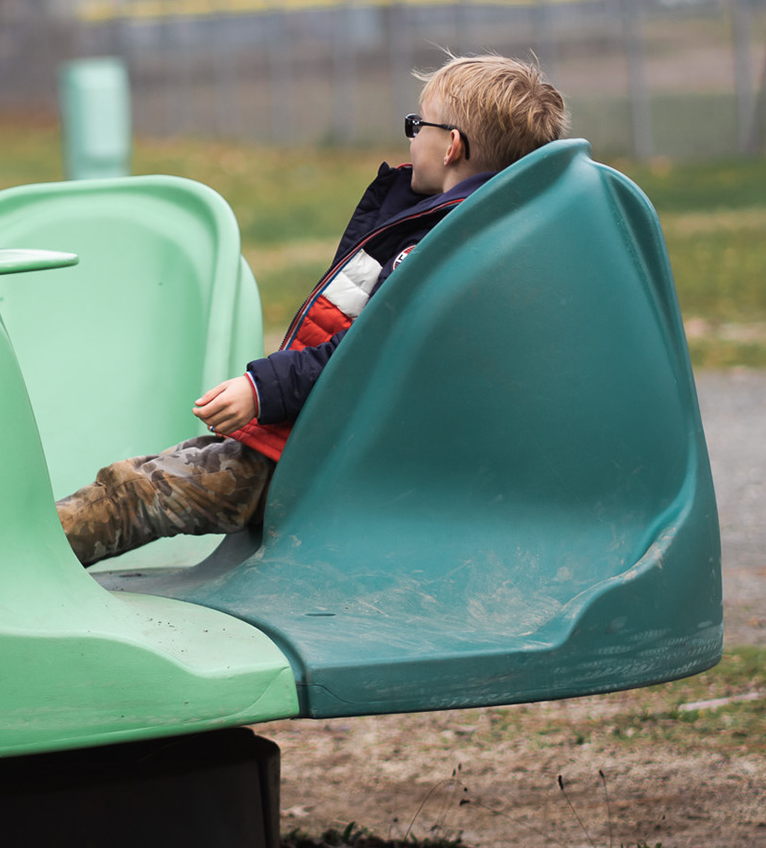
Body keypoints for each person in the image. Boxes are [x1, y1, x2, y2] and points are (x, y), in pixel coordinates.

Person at [56, 54, 570, 566]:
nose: (411, 139)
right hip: (321, 437)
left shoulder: (434, 248)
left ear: (452, 145)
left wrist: (262, 390)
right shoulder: (479, 233)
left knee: (135, 492)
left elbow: (366, 353)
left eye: (418, 126)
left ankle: (29, 562)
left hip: (317, 453)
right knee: (156, 472)